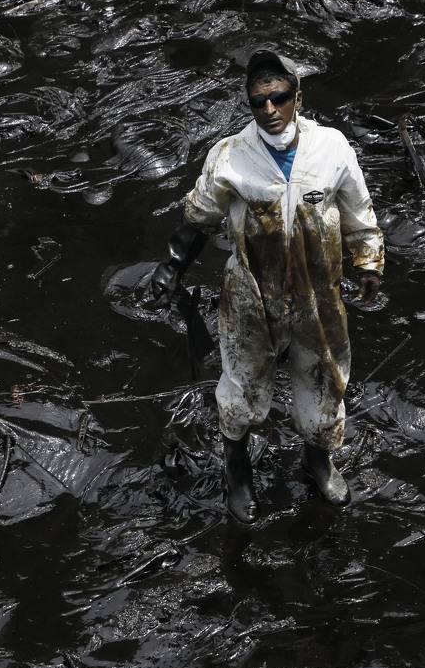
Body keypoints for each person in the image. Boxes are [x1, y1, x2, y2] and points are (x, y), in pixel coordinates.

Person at [149, 50, 384, 523]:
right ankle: (238, 473)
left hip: (317, 292)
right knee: (241, 386)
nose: (270, 109)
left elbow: (358, 210)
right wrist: (172, 266)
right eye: (259, 101)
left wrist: (368, 262)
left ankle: (318, 462)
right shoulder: (231, 155)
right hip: (251, 292)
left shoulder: (332, 148)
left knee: (323, 382)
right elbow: (199, 217)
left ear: (298, 97)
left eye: (279, 97)